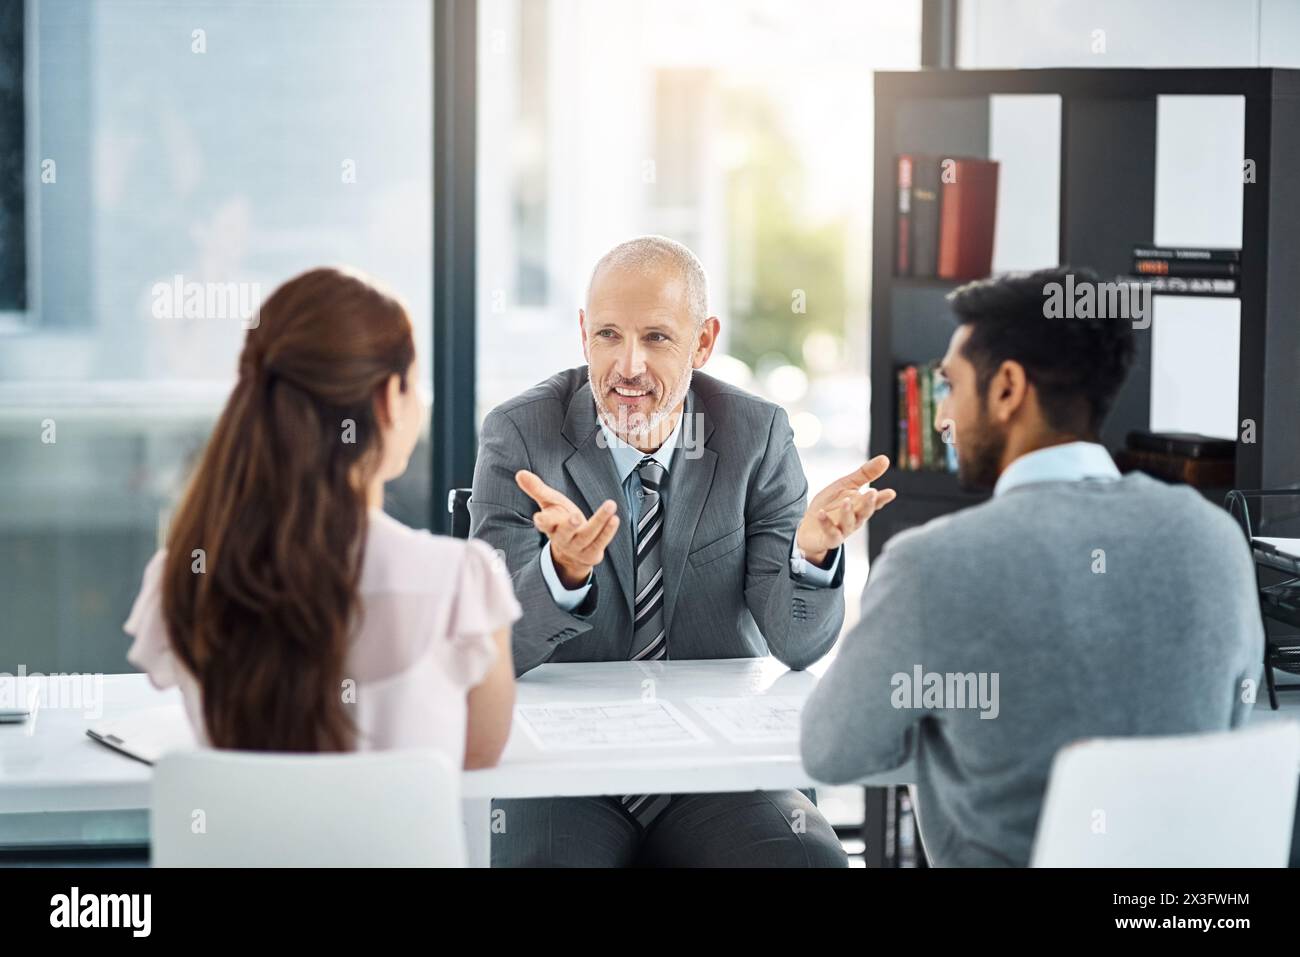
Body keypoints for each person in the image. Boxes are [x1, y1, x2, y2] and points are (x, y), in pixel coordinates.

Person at [801, 266, 1264, 867]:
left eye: (951, 386)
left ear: (1007, 388)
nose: (943, 419)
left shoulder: (934, 564)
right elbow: (1226, 718)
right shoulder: (1215, 539)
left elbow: (831, 751)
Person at [471, 235, 895, 867]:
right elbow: (492, 647)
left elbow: (799, 645)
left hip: (717, 769)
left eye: (657, 338)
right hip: (566, 772)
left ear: (703, 341)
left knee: (810, 862)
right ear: (584, 332)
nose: (629, 365)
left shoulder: (757, 434)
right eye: (608, 335)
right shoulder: (520, 433)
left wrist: (809, 555)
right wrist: (561, 573)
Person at [125, 267, 519, 772]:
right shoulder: (461, 584)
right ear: (387, 399)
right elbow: (477, 757)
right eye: (414, 383)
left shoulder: (183, 580)